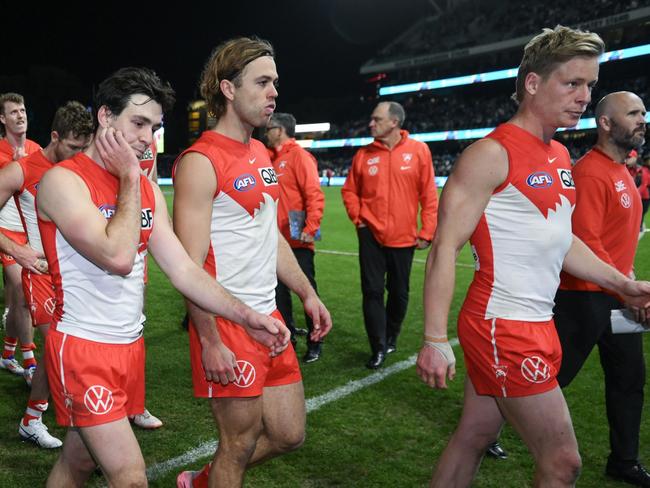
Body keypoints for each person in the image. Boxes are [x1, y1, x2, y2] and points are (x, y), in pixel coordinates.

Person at [416, 26, 650, 487]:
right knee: (563, 462)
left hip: (536, 319)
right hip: (503, 323)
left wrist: (623, 285)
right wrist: (434, 338)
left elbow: (563, 241)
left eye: (590, 86)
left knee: (475, 434)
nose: (584, 97)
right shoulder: (491, 153)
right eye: (572, 83)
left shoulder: (560, 154)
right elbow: (445, 247)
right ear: (533, 84)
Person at [37, 67, 292, 487]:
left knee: (78, 463)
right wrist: (129, 178)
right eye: (137, 123)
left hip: (129, 349)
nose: (145, 137)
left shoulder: (146, 189)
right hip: (82, 348)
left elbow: (184, 269)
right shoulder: (62, 182)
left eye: (153, 127)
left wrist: (247, 316)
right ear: (104, 117)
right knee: (130, 476)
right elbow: (118, 256)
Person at [173, 37, 331, 488]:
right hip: (226, 323)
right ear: (228, 88)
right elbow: (190, 264)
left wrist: (307, 293)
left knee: (289, 434)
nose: (273, 92)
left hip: (271, 320)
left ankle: (199, 483)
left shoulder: (263, 154)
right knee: (237, 445)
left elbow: (272, 236)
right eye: (262, 82)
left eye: (274, 82)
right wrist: (209, 340)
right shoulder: (200, 162)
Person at [554, 91, 650, 486]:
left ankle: (624, 461)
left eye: (644, 112)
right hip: (583, 296)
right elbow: (585, 243)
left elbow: (614, 243)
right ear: (606, 123)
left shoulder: (621, 170)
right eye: (633, 113)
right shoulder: (591, 172)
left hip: (617, 296)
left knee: (630, 378)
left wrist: (629, 288)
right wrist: (626, 287)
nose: (643, 118)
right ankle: (484, 431)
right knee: (549, 378)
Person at [0, 100, 93, 449]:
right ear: (55, 136)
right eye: (73, 147)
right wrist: (17, 249)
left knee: (67, 350)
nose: (79, 155)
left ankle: (32, 419)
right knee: (60, 348)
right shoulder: (22, 170)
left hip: (81, 274)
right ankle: (64, 428)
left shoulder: (83, 166)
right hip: (41, 274)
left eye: (85, 147)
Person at [341, 101, 438, 369]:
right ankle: (378, 346)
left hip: (404, 237)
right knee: (371, 291)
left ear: (394, 122)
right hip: (370, 234)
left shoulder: (419, 151)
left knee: (399, 293)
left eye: (376, 119)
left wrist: (427, 230)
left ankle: (392, 334)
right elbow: (349, 191)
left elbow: (429, 195)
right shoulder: (363, 154)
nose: (371, 123)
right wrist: (359, 219)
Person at [266, 112, 325, 363]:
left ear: (280, 131)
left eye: (269, 129)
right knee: (278, 293)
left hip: (297, 239)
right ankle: (288, 336)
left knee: (307, 290)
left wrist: (310, 228)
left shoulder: (300, 156)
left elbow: (314, 194)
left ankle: (316, 340)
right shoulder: (268, 158)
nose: (265, 133)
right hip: (273, 241)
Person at [0, 92, 41, 382]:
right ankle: (30, 362)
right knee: (23, 292)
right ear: (2, 119)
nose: (20, 115)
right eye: (13, 111)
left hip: (30, 235)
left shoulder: (38, 151)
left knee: (18, 299)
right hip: (5, 233)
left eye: (23, 109)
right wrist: (13, 169)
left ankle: (7, 353)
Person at [127, 138, 164, 430]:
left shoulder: (148, 142)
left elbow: (150, 176)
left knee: (137, 326)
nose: (146, 132)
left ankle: (135, 404)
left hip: (140, 244)